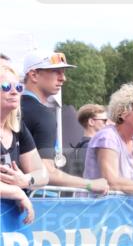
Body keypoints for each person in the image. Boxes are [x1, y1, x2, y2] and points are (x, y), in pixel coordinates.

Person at [20, 50, 109, 194]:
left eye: (63, 72)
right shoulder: (42, 115)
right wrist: (90, 184)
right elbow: (45, 171)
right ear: (34, 75)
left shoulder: (11, 109)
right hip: (26, 203)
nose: (63, 78)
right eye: (56, 72)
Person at [0, 62, 50, 194]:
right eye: (6, 87)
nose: (14, 91)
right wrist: (16, 193)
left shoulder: (17, 128)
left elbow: (43, 174)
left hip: (12, 212)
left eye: (18, 87)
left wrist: (26, 180)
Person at [65, 103, 107, 176]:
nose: (107, 124)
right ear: (91, 122)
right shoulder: (92, 148)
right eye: (104, 121)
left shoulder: (79, 147)